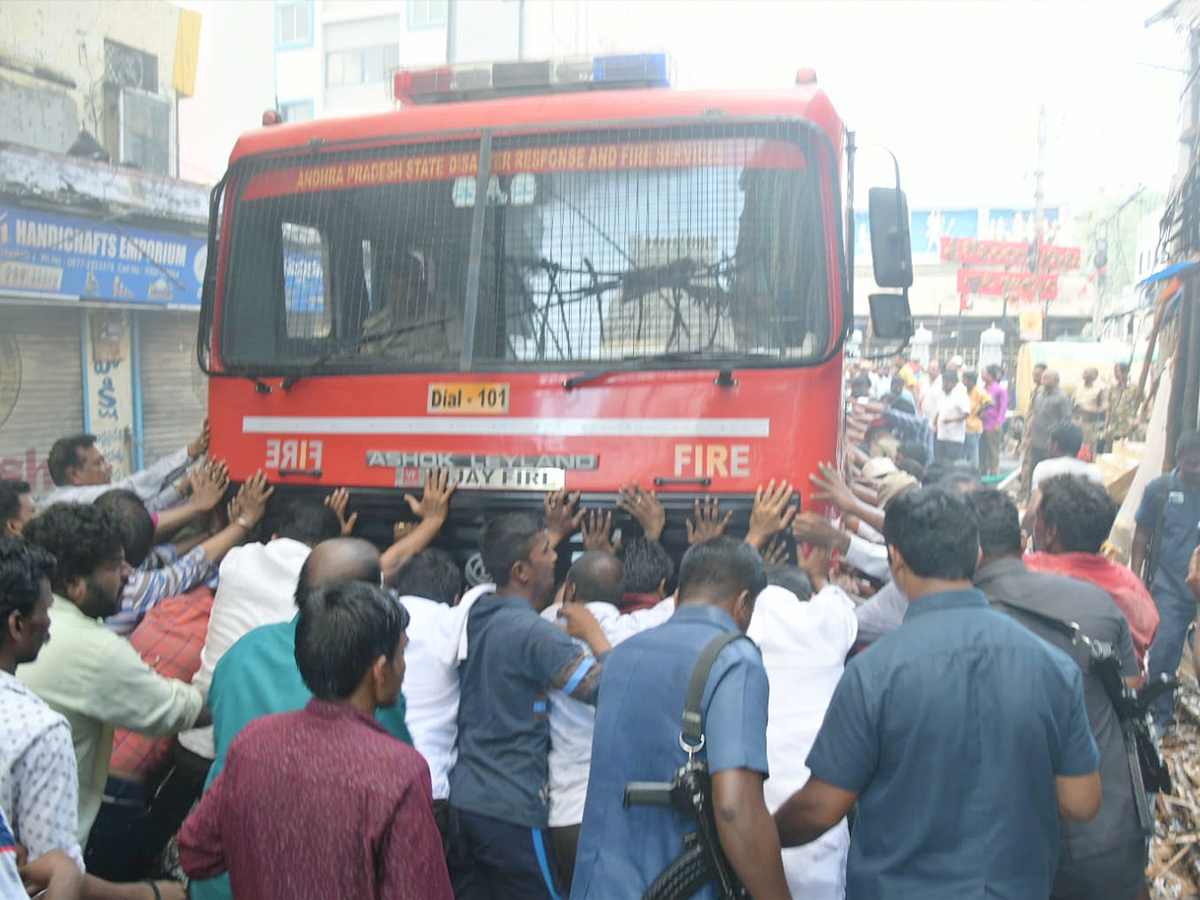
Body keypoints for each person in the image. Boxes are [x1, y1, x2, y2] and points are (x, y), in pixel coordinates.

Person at [774, 487, 1101, 900]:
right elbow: (1082, 801)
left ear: (894, 559)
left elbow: (821, 808)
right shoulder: (1053, 666)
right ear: (977, 557)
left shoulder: (873, 673)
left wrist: (759, 836)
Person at [178, 580, 453, 900]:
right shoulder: (400, 771)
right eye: (401, 653)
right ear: (380, 670)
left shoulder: (253, 742)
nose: (404, 667)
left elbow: (196, 852)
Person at [571, 537, 790, 900]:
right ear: (745, 604)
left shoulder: (621, 657)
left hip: (597, 885)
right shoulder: (734, 660)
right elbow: (736, 808)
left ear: (676, 596)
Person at [971, 488, 1147, 900]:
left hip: (1016, 842)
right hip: (1110, 828)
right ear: (1022, 541)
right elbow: (1130, 689)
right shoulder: (1101, 600)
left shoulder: (964, 619)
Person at [448, 510, 614, 900]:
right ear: (521, 571)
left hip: (466, 802)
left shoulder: (478, 615)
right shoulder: (535, 634)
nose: (555, 557)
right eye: (546, 550)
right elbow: (606, 691)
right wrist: (595, 636)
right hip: (511, 810)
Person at [17, 504, 206, 845]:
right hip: (52, 851)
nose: (128, 572)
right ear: (74, 583)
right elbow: (178, 710)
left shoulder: (34, 625)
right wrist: (236, 690)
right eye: (114, 565)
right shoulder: (93, 648)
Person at [540, 552, 675, 892]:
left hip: (567, 808)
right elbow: (687, 597)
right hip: (627, 806)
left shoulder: (544, 626)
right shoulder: (647, 627)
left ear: (570, 589)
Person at [747, 543, 856, 900]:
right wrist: (819, 576)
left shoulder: (747, 628)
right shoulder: (826, 626)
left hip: (749, 820)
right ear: (806, 598)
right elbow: (841, 604)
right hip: (817, 814)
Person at [95, 472, 268, 637]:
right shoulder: (131, 591)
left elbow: (163, 555)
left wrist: (212, 532)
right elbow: (192, 565)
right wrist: (246, 520)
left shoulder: (95, 559)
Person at [1026, 475, 1159, 672]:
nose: (1033, 527)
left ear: (1051, 532)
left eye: (1037, 519)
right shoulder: (1131, 587)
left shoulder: (1027, 571)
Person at [1131, 430, 1200, 733]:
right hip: (1170, 587)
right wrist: (1135, 576)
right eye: (1190, 467)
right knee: (1164, 653)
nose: (1196, 473)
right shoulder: (1159, 490)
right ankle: (1159, 716)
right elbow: (1142, 533)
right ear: (1179, 461)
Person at [394, 549, 462, 828]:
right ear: (456, 598)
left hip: (370, 779)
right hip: (430, 782)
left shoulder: (376, 616)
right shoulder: (453, 622)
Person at [41, 421, 209, 512]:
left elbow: (143, 510)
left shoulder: (86, 501)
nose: (110, 467)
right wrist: (191, 452)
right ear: (74, 475)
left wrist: (181, 487)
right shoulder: (70, 501)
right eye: (99, 463)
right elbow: (133, 487)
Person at [1022, 423, 1103, 537]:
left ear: (1055, 445)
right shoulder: (1094, 472)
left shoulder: (1045, 468)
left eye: (1050, 441)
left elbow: (1032, 512)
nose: (1047, 443)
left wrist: (1023, 534)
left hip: (1053, 539)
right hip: (1085, 538)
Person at [1022, 369, 1074, 499]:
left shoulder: (1062, 397)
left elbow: (1066, 420)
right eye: (1043, 377)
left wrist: (1059, 442)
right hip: (1035, 441)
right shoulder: (1039, 395)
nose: (1042, 380)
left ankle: (1047, 499)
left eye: (1046, 378)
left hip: (1051, 444)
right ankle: (1031, 499)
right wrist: (1027, 436)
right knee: (1033, 472)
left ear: (1055, 381)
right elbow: (1033, 416)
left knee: (1049, 473)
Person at [932, 369, 971, 463]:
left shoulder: (960, 396)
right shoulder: (942, 396)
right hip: (941, 435)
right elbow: (938, 412)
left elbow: (966, 414)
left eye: (947, 381)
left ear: (954, 383)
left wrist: (952, 420)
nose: (945, 384)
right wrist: (934, 424)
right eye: (943, 381)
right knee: (940, 462)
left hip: (954, 438)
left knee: (953, 463)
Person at [962, 369, 993, 470]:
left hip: (974, 427)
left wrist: (980, 411)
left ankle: (975, 471)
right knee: (964, 452)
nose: (963, 381)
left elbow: (990, 402)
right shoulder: (964, 391)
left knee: (973, 451)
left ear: (971, 381)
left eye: (965, 380)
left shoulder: (979, 391)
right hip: (964, 426)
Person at [979, 365, 1007, 477]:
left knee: (993, 451)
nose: (982, 375)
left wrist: (999, 422)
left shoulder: (1000, 390)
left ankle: (994, 473)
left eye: (984, 373)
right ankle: (982, 472)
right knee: (982, 450)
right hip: (981, 424)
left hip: (993, 424)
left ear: (990, 375)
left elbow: (1003, 407)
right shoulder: (981, 390)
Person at [1104, 362, 1138, 452]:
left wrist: (1138, 420)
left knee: (1126, 453)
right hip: (1114, 428)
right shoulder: (1112, 388)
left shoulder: (1134, 388)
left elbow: (1143, 405)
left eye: (1118, 371)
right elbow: (1109, 408)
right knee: (1110, 452)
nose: (1116, 374)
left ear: (1125, 372)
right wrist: (1106, 427)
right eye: (1115, 372)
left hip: (1128, 428)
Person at [1073, 366, 1106, 455]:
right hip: (1076, 422)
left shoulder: (1100, 389)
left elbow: (1103, 409)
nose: (1085, 374)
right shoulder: (1079, 386)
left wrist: (1087, 409)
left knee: (1088, 451)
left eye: (1088, 372)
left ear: (1095, 376)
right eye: (1084, 372)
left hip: (1090, 425)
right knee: (1075, 448)